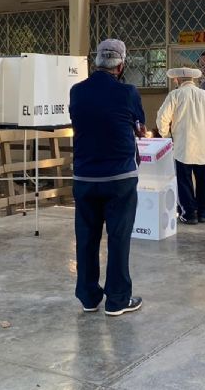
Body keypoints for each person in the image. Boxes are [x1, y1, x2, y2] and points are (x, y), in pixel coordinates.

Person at [70, 39, 145, 316]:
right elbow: (140, 129)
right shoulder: (128, 92)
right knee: (118, 236)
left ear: (96, 62)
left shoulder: (76, 92)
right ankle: (117, 299)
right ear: (121, 64)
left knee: (86, 237)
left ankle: (89, 297)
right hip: (120, 178)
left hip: (85, 177)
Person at [156, 67, 205, 224]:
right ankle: (203, 212)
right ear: (193, 80)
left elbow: (162, 118)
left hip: (183, 144)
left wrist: (166, 137)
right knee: (203, 179)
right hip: (203, 146)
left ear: (177, 80)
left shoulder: (175, 95)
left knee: (184, 180)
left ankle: (189, 213)